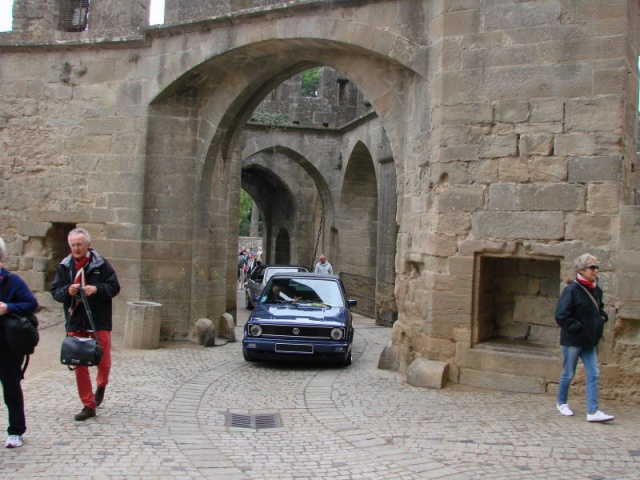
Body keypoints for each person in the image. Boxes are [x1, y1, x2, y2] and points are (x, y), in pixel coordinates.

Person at [50, 228, 121, 421]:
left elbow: (114, 287)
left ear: (88, 245)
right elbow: (55, 292)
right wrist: (68, 291)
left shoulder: (101, 264)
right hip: (75, 321)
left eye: (79, 244)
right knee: (78, 363)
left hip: (98, 320)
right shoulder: (64, 266)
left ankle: (101, 384)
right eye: (73, 245)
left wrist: (96, 289)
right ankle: (88, 405)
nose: (76, 248)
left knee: (103, 362)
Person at [555, 253, 614, 423]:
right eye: (592, 267)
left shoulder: (596, 290)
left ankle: (593, 411)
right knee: (568, 373)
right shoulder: (572, 290)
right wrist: (578, 327)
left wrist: (602, 317)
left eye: (597, 267)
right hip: (573, 341)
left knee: (594, 373)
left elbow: (599, 308)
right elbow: (561, 315)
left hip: (590, 340)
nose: (595, 271)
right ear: (581, 270)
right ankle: (562, 403)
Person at [0, 237, 38, 448]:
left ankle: (16, 431)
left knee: (11, 389)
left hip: (6, 345)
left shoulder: (12, 281)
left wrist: (8, 308)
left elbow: (31, 304)